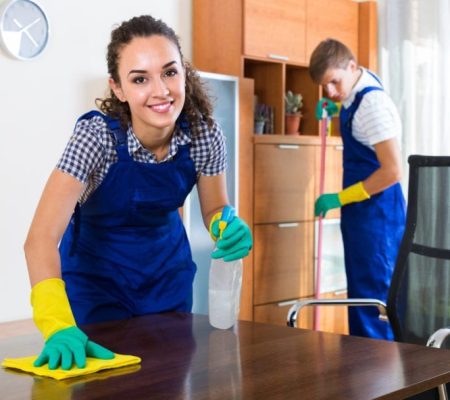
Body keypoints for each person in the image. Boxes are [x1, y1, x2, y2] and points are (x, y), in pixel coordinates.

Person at [24, 15, 252, 370]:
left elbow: (214, 209)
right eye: (140, 79)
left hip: (167, 280)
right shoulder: (96, 138)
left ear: (184, 74)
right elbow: (39, 240)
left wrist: (226, 224)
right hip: (95, 285)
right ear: (118, 88)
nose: (160, 90)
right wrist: (56, 324)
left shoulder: (204, 136)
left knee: (165, 381)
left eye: (170, 72)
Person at [310, 39, 406, 340]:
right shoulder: (357, 88)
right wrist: (336, 107)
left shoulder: (371, 105)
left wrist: (340, 198)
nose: (331, 92)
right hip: (363, 215)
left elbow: (392, 170)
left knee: (373, 302)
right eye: (325, 87)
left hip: (378, 218)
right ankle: (365, 375)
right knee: (362, 295)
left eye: (334, 82)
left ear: (352, 67)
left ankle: (380, 381)